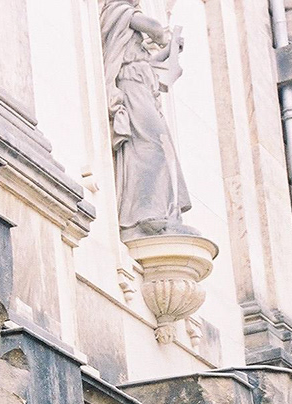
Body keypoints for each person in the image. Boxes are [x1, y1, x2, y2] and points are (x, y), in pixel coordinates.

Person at [100, 0, 197, 240]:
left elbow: (147, 63)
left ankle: (162, 212)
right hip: (130, 87)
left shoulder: (130, 24)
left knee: (163, 148)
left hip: (142, 86)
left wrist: (170, 49)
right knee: (152, 145)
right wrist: (165, 36)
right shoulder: (118, 11)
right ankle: (145, 214)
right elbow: (153, 27)